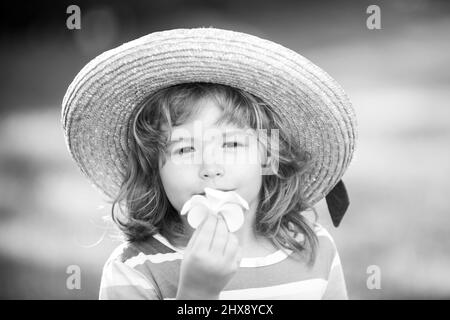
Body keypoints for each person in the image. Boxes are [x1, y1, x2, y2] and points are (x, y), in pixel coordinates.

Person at [61, 28, 357, 300]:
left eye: (231, 144)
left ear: (268, 155)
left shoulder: (313, 250)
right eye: (185, 148)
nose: (210, 168)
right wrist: (195, 293)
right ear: (155, 168)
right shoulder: (135, 269)